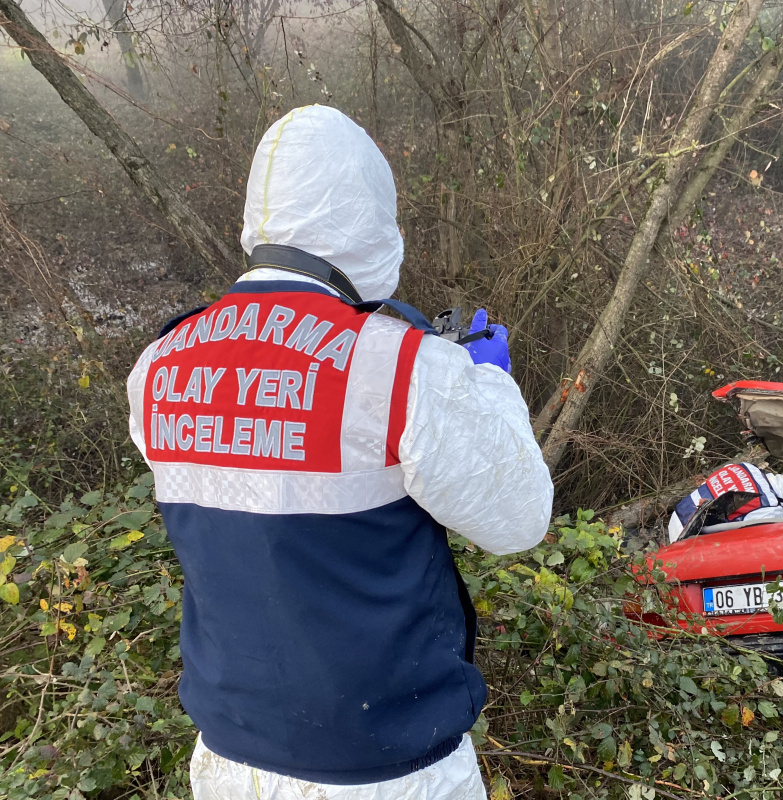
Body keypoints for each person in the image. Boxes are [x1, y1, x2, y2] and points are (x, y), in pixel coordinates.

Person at [125, 105, 553, 799]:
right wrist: (489, 386)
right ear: (367, 220)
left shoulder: (157, 365)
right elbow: (519, 520)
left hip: (230, 759)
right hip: (389, 768)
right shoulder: (400, 366)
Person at [667, 462, 783, 542]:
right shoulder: (769, 509)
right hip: (687, 536)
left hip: (680, 512)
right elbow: (757, 543)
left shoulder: (745, 467)